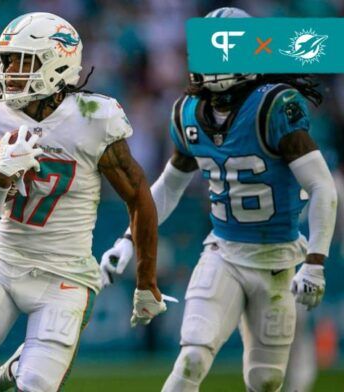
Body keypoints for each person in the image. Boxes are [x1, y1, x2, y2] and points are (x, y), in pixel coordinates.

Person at [99, 7, 337, 392]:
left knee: (266, 380)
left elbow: (323, 186)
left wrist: (314, 263)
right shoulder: (188, 112)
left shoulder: (274, 106)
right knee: (192, 357)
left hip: (277, 259)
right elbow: (168, 187)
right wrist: (128, 240)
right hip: (223, 253)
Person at [0, 12, 170, 392]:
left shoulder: (93, 117)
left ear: (56, 63)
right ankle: (12, 368)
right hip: (4, 264)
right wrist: (1, 179)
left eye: (20, 61)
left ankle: (13, 372)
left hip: (66, 275)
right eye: (6, 61)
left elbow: (139, 197)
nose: (8, 72)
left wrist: (146, 281)